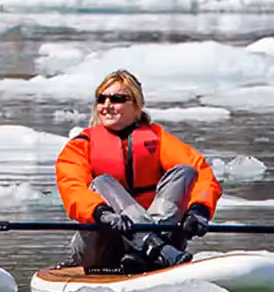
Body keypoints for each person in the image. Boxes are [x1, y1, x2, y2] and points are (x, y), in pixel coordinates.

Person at [53, 70, 222, 272]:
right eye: (101, 99)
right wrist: (101, 212)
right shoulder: (82, 145)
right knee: (102, 182)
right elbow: (72, 187)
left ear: (137, 106)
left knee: (185, 172)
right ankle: (155, 248)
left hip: (159, 238)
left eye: (117, 99)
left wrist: (199, 210)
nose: (107, 105)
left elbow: (202, 173)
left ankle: (146, 249)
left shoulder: (158, 139)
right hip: (102, 245)